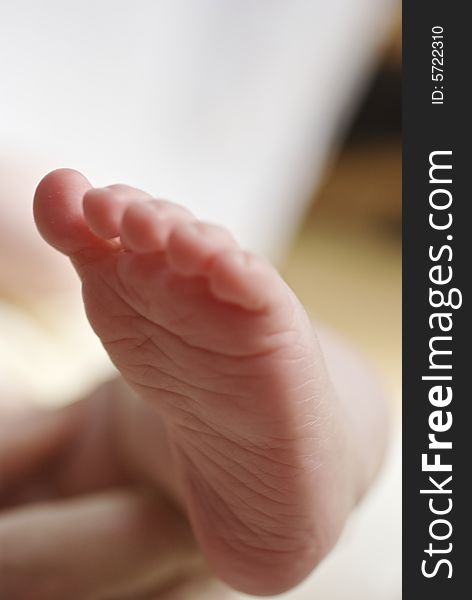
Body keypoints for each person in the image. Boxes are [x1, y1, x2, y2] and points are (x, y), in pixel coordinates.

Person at [0, 168, 388, 599]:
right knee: (171, 401)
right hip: (76, 461)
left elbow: (49, 252)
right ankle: (286, 482)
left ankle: (316, 469)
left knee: (307, 360)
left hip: (84, 419)